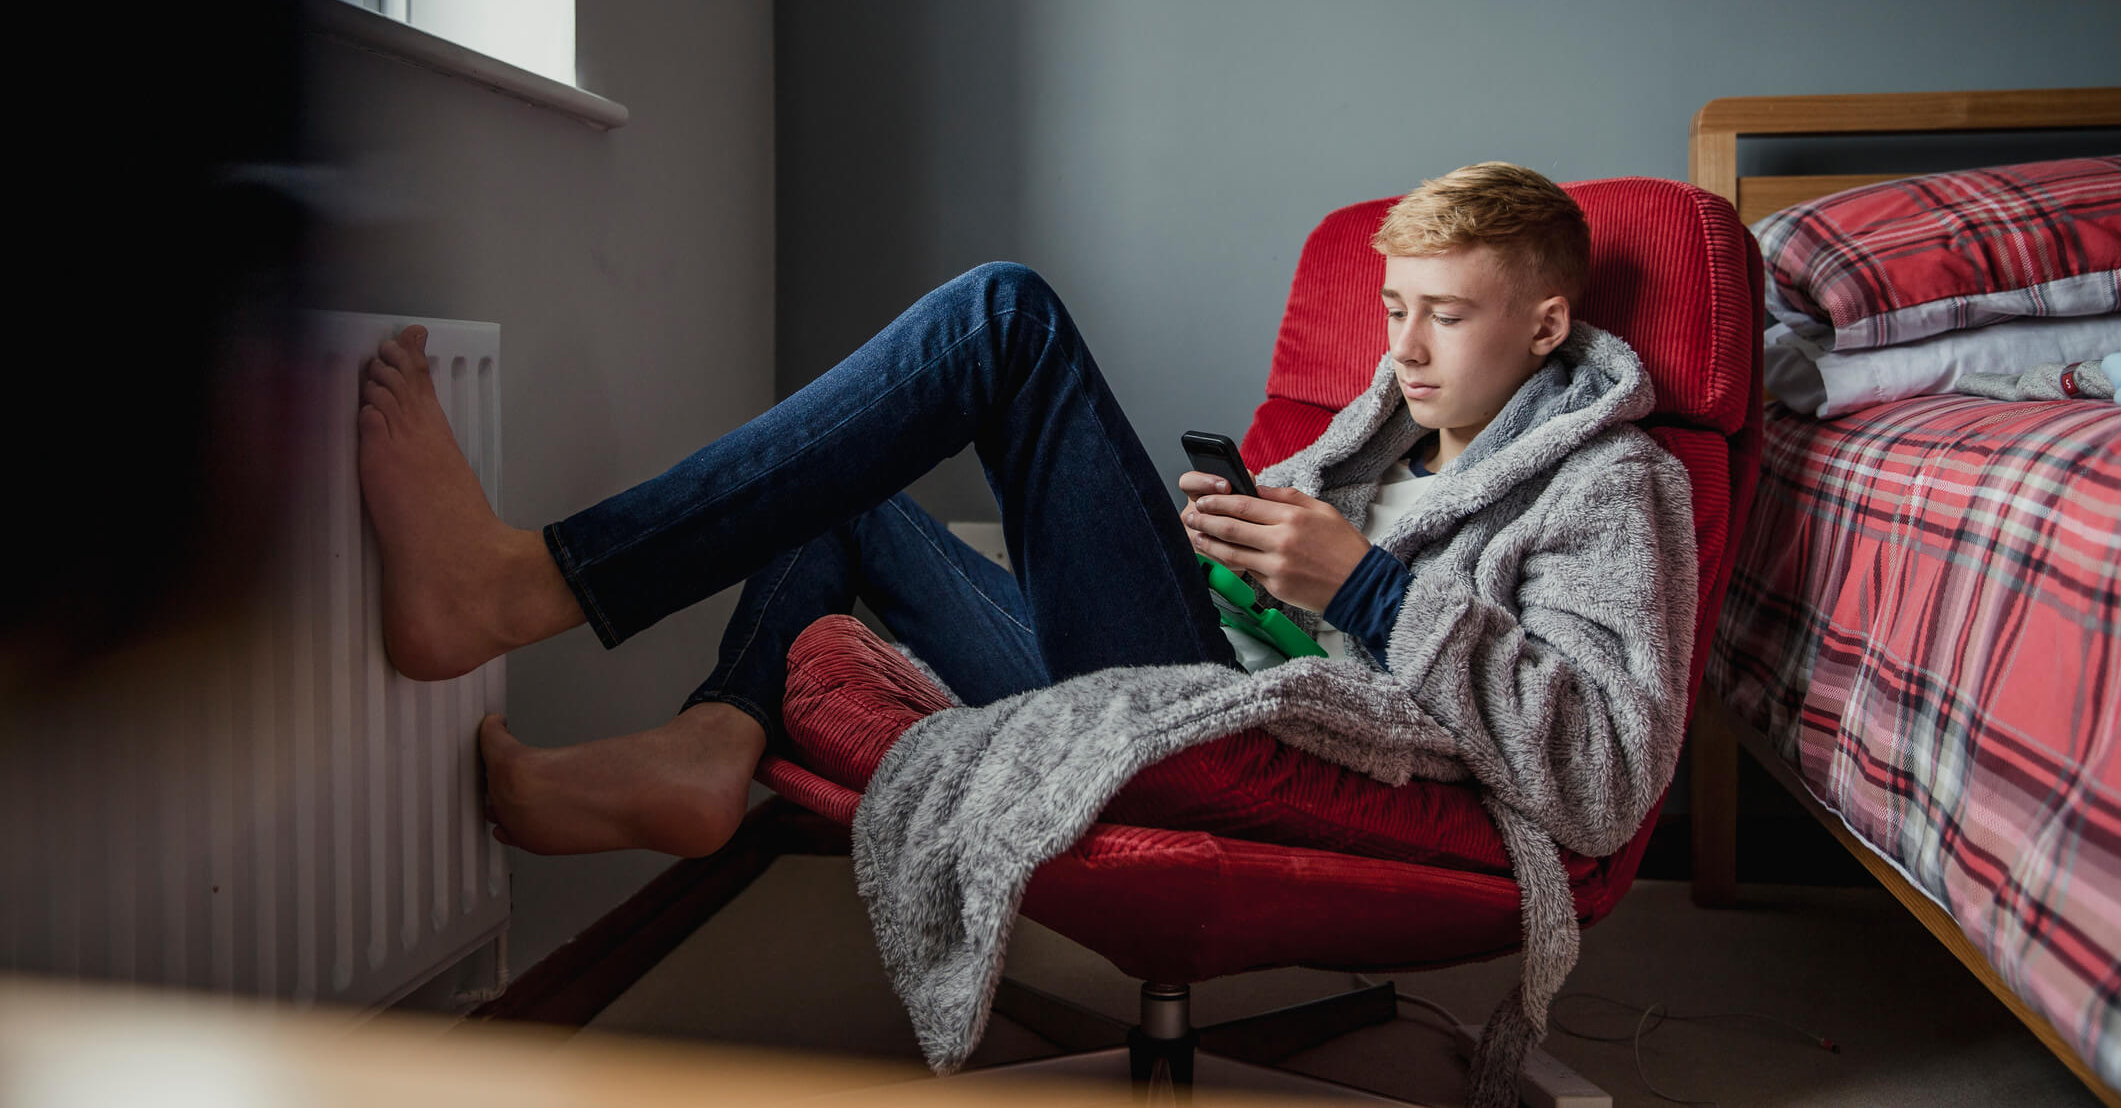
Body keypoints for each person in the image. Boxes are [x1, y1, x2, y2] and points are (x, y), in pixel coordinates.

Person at [356, 161, 1673, 863]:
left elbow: (1606, 773)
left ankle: (525, 587)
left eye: (1444, 313)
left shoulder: (1609, 484)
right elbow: (1304, 611)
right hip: (1210, 677)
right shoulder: (1379, 441)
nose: (1406, 348)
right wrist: (1242, 555)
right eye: (1394, 310)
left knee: (1003, 319)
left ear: (1546, 322)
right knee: (847, 478)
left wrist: (1364, 589)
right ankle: (715, 739)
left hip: (1256, 739)